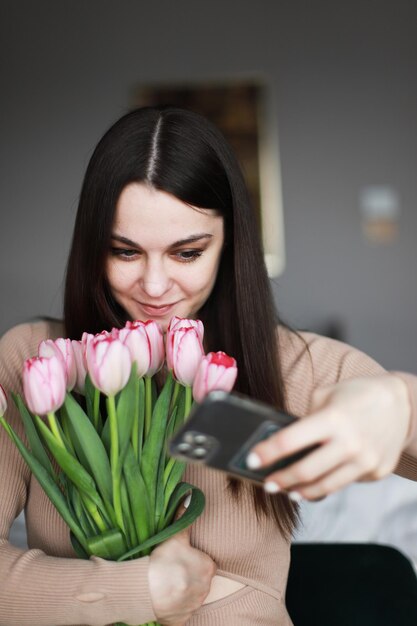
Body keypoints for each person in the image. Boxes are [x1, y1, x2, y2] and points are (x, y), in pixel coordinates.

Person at [0, 105, 416, 626]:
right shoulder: (34, 359)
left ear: (230, 244)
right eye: (124, 252)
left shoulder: (291, 366)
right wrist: (140, 589)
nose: (154, 287)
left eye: (187, 253)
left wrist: (400, 402)